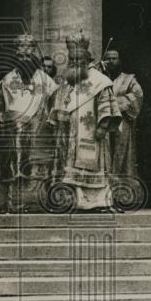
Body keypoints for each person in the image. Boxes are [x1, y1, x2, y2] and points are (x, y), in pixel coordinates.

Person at [49, 35, 122, 212]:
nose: (74, 62)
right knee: (68, 169)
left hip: (91, 133)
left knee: (91, 166)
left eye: (78, 59)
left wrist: (103, 126)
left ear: (88, 59)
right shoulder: (67, 80)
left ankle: (96, 202)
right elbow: (59, 103)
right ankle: (71, 201)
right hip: (68, 134)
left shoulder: (100, 80)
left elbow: (108, 104)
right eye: (71, 59)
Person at [0, 34, 58, 212]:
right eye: (21, 53)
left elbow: (55, 103)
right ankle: (14, 203)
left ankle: (38, 203)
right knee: (14, 166)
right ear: (16, 54)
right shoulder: (8, 79)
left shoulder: (47, 81)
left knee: (37, 167)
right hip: (15, 133)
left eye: (29, 51)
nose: (25, 55)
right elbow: (2, 107)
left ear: (34, 53)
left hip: (39, 132)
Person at [102, 48, 143, 180]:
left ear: (119, 60)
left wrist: (115, 103)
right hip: (103, 121)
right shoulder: (100, 79)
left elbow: (137, 96)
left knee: (122, 151)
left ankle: (123, 186)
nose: (111, 61)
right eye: (108, 58)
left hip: (122, 122)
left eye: (114, 58)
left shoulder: (129, 79)